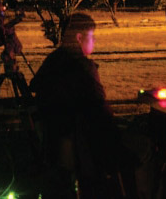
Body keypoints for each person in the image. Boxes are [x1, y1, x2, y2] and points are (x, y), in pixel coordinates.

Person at [31, 12, 154, 198]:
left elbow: (36, 87)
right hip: (94, 146)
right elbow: (101, 113)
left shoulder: (52, 62)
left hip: (58, 146)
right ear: (79, 38)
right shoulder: (83, 69)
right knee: (146, 145)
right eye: (92, 36)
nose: (95, 40)